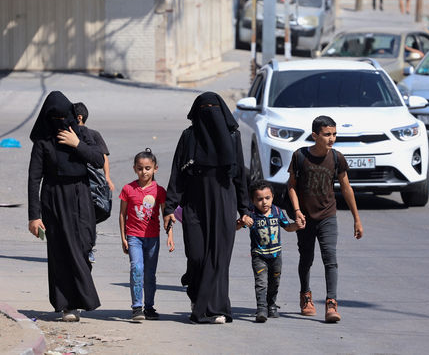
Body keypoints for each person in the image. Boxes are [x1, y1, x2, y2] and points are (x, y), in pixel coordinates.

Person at [163, 92, 252, 324]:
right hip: (193, 202)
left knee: (218, 258)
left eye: (213, 107)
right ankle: (196, 291)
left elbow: (240, 176)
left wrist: (245, 209)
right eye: (205, 108)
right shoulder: (188, 137)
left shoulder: (233, 137)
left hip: (224, 202)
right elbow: (177, 174)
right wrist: (170, 207)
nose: (209, 112)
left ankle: (215, 309)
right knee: (197, 255)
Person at [27, 91, 104, 322]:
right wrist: (34, 216)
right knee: (60, 252)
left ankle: (80, 298)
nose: (60, 122)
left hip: (80, 195)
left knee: (82, 247)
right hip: (53, 198)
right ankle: (68, 306)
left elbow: (98, 160)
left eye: (64, 117)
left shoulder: (81, 133)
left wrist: (77, 144)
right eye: (55, 118)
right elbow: (34, 178)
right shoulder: (43, 141)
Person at [287, 115, 364, 323]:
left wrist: (357, 219)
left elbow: (346, 188)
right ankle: (306, 295)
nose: (332, 138)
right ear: (315, 135)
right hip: (305, 218)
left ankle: (331, 302)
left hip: (328, 216)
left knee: (330, 259)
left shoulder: (337, 158)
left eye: (334, 134)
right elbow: (291, 185)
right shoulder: (300, 156)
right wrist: (296, 211)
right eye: (327, 134)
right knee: (306, 258)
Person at [119, 148, 173, 321]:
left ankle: (149, 307)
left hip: (152, 238)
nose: (144, 172)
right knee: (137, 269)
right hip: (134, 236)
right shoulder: (128, 189)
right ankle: (137, 307)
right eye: (140, 168)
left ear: (155, 168)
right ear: (135, 168)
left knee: (150, 274)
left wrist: (169, 235)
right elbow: (122, 215)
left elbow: (166, 216)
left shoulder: (160, 191)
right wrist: (123, 238)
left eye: (148, 168)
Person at [236, 179, 299, 323]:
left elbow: (287, 227)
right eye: (259, 199)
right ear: (252, 200)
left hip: (276, 255)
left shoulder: (277, 211)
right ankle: (261, 308)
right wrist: (241, 222)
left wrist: (297, 225)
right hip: (259, 256)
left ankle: (271, 304)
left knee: (274, 281)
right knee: (261, 283)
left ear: (272, 197)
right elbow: (236, 227)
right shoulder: (250, 214)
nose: (264, 202)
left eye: (267, 198)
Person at [73, 101, 113, 264]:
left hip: (92, 182)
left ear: (79, 117)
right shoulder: (69, 132)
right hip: (75, 180)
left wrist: (107, 178)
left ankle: (88, 248)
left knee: (90, 215)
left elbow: (103, 157)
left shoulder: (93, 134)